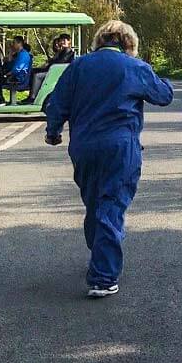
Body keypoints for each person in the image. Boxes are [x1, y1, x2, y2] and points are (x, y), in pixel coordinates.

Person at [45, 21, 173, 298]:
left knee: (94, 202)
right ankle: (103, 277)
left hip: (84, 146)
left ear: (99, 41)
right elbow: (163, 96)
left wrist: (53, 131)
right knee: (111, 205)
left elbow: (57, 102)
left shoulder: (78, 67)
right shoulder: (134, 67)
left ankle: (99, 255)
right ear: (129, 43)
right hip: (119, 146)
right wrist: (158, 75)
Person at [22, 34, 76, 104]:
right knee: (34, 71)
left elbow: (60, 62)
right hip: (54, 70)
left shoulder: (67, 51)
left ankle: (33, 96)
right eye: (61, 40)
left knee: (37, 76)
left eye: (64, 40)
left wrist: (51, 62)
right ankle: (32, 94)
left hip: (58, 73)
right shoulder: (62, 51)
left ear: (69, 41)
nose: (62, 42)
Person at [0, 36, 32, 106]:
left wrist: (7, 74)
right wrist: (10, 54)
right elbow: (10, 66)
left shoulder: (23, 54)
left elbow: (17, 69)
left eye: (14, 43)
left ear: (19, 43)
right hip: (15, 75)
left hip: (18, 78)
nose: (12, 44)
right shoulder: (19, 54)